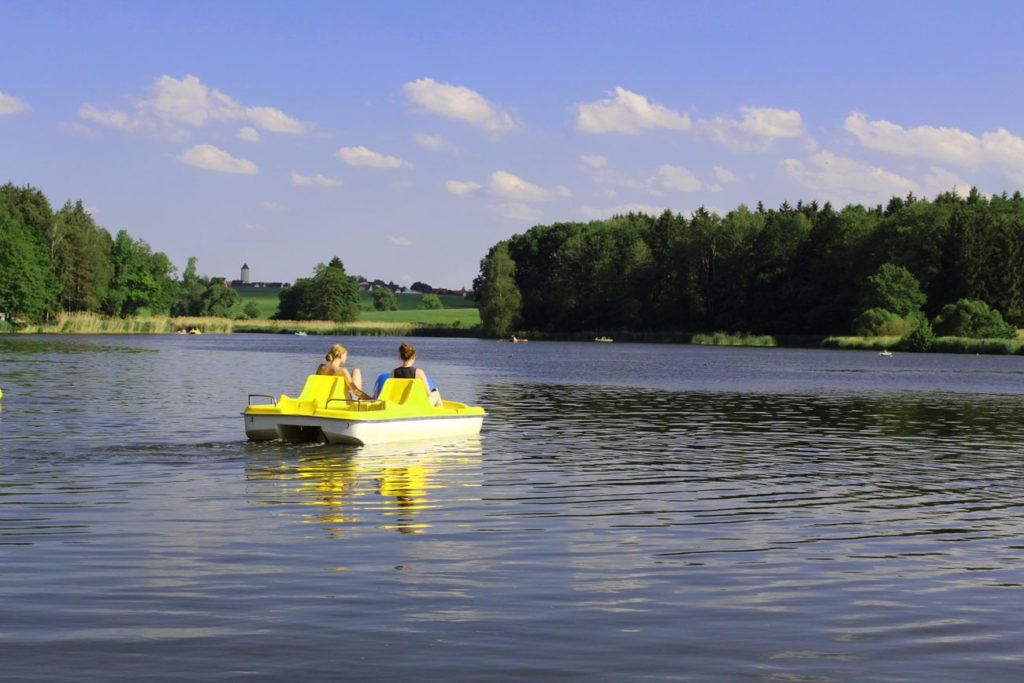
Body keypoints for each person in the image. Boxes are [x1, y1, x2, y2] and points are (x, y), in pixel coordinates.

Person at [392, 341, 443, 407]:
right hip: (417, 405)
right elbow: (428, 394)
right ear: (414, 357)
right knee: (436, 392)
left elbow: (392, 391)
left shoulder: (394, 372)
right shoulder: (418, 372)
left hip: (401, 404)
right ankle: (440, 414)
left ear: (401, 357)